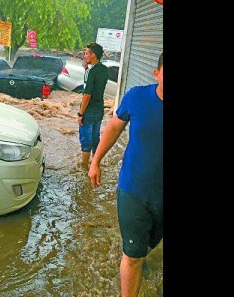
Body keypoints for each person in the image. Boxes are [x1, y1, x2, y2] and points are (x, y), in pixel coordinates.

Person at [87, 51, 163, 297]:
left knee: (148, 246)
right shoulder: (137, 97)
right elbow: (113, 129)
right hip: (134, 192)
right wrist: (95, 161)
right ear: (157, 73)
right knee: (132, 257)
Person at [77, 42, 109, 169]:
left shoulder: (91, 72)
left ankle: (84, 168)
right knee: (96, 138)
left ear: (93, 55)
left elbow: (87, 94)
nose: (84, 56)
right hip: (99, 109)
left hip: (89, 111)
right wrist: (87, 71)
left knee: (86, 141)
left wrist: (80, 113)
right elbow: (97, 87)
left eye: (86, 54)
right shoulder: (104, 70)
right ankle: (96, 164)